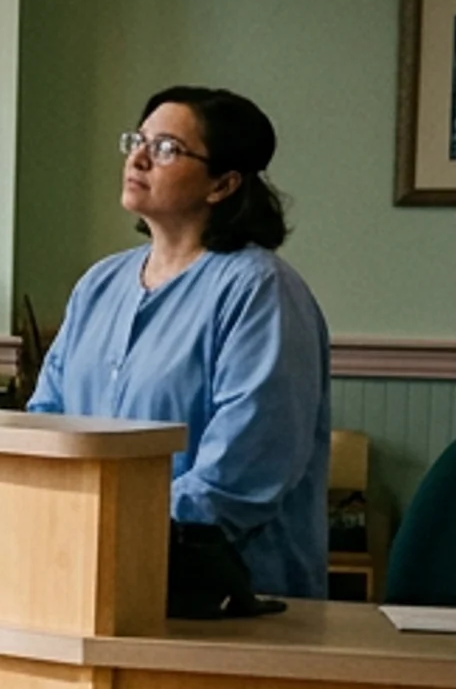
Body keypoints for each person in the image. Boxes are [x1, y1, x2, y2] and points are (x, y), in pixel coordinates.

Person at [27, 85, 332, 600]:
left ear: (223, 184)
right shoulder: (100, 284)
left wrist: (116, 532)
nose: (138, 158)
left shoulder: (259, 290)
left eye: (166, 148)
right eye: (137, 141)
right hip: (86, 573)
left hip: (224, 594)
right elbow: (48, 420)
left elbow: (243, 473)